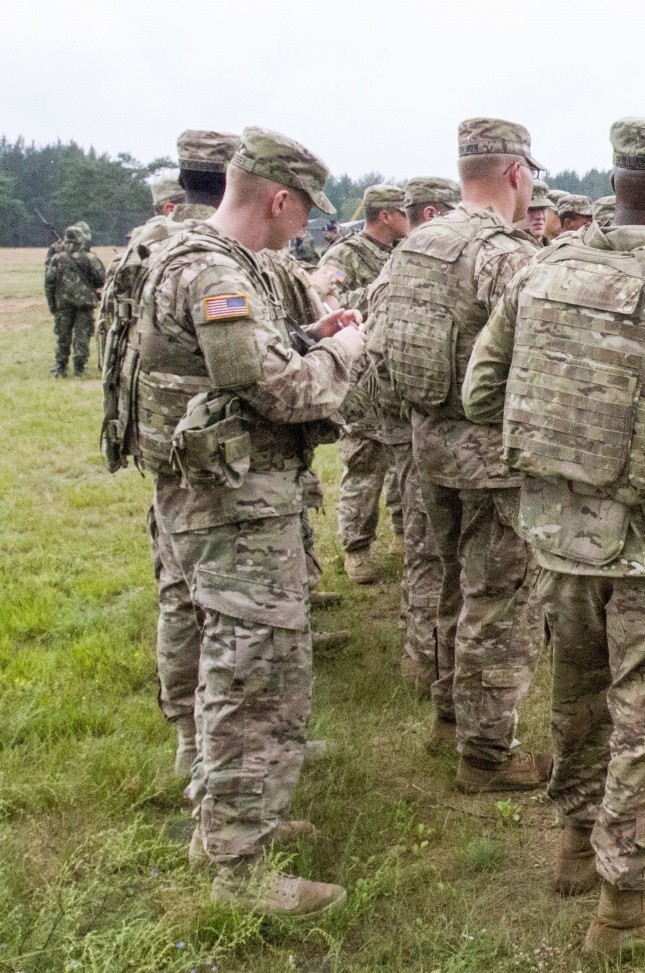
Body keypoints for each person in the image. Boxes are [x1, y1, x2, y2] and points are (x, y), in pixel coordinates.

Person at [463, 116, 645, 958]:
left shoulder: (543, 272)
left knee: (580, 697)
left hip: (558, 538)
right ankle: (628, 905)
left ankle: (573, 846)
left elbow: (484, 394)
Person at [127, 127, 363, 915]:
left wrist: (306, 338)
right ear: (279, 199)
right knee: (251, 677)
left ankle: (228, 823)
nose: (306, 228)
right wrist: (345, 354)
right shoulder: (211, 273)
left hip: (217, 503)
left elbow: (235, 367)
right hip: (233, 512)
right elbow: (279, 393)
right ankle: (240, 868)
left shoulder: (207, 259)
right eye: (304, 213)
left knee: (233, 665)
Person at [373, 118, 548, 789]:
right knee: (498, 602)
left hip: (427, 445)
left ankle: (449, 710)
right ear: (515, 174)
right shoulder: (502, 253)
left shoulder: (419, 244)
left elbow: (382, 332)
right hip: (490, 457)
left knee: (448, 583)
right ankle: (486, 752)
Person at [100, 129, 239, 782]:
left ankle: (187, 734)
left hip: (153, 437)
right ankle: (209, 739)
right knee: (214, 596)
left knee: (175, 587)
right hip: (206, 445)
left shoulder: (145, 243)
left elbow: (112, 336)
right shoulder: (211, 248)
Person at [352, 175, 460, 696]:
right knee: (436, 551)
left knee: (422, 546)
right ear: (435, 213)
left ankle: (421, 659)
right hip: (432, 427)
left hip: (401, 424)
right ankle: (430, 664)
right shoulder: (434, 269)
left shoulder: (395, 268)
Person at [322, 184, 411, 585]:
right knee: (364, 465)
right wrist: (381, 296)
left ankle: (401, 532)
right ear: (387, 216)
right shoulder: (345, 254)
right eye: (403, 212)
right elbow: (324, 303)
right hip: (361, 379)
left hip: (393, 375)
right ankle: (356, 548)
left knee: (400, 462)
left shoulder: (399, 253)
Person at [44, 224, 106, 377]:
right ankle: (79, 368)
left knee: (62, 335)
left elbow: (49, 283)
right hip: (84, 304)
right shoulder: (90, 257)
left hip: (63, 304)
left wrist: (52, 305)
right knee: (82, 336)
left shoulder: (57, 259)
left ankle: (60, 366)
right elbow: (101, 279)